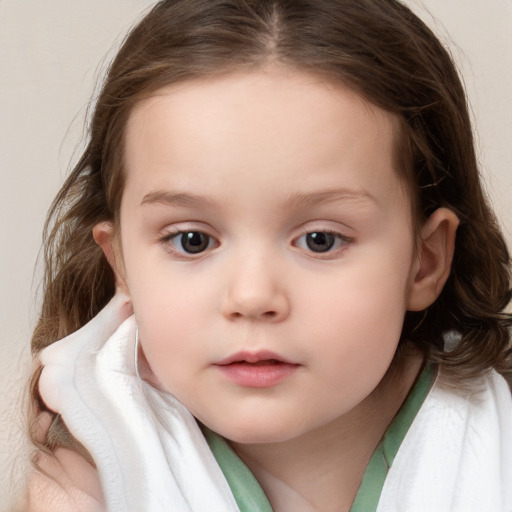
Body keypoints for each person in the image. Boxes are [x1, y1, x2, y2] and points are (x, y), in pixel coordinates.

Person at [22, 0, 512, 511]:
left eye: (320, 239)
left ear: (424, 260)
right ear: (120, 263)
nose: (252, 297)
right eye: (192, 240)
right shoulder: (89, 481)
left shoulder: (496, 452)